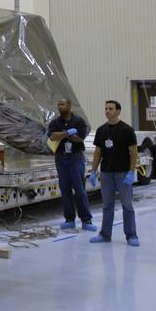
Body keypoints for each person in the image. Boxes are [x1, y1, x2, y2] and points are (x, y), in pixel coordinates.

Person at [88, 99, 140, 246]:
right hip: (106, 173)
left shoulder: (127, 130)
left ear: (118, 111)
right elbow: (98, 151)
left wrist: (131, 172)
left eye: (111, 109)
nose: (107, 111)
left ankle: (131, 235)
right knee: (107, 205)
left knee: (127, 205)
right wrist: (93, 171)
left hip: (123, 173)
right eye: (106, 109)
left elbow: (134, 152)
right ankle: (105, 234)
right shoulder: (101, 130)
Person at [46, 98, 96, 231]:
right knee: (65, 189)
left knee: (79, 189)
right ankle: (69, 219)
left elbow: (79, 138)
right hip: (61, 157)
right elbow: (52, 136)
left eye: (62, 104)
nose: (60, 107)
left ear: (69, 105)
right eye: (58, 104)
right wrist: (67, 133)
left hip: (75, 157)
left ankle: (86, 219)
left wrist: (61, 135)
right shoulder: (55, 122)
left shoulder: (79, 121)